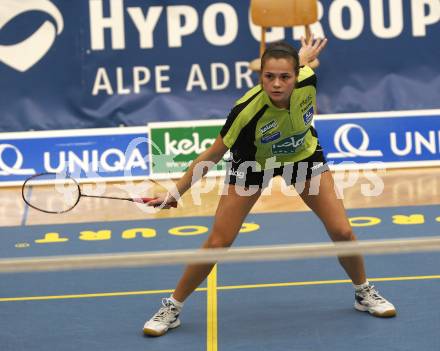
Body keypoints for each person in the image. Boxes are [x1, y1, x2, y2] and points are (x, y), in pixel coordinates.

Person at [142, 37, 396, 337]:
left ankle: (363, 292)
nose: (277, 84)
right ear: (259, 75)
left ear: (296, 75)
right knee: (218, 241)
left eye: (284, 76)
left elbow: (299, 63)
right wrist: (175, 193)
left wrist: (301, 57)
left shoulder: (307, 79)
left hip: (301, 157)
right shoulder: (246, 112)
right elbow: (211, 155)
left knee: (343, 231)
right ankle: (172, 307)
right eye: (269, 76)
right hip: (253, 166)